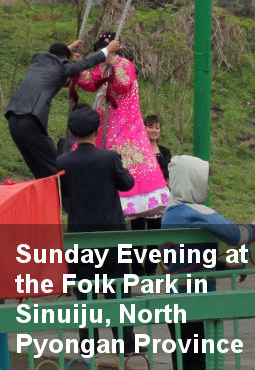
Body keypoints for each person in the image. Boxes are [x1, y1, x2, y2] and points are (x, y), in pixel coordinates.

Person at [161, 155, 255, 370]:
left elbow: (181, 261)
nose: (208, 188)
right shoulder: (196, 212)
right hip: (197, 302)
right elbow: (235, 235)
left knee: (183, 360)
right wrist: (254, 226)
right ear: (192, 181)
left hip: (175, 298)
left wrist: (224, 266)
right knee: (200, 362)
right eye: (204, 182)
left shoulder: (169, 213)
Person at [56, 104, 137, 355]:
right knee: (118, 290)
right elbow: (127, 183)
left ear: (72, 131)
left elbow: (62, 196)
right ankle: (125, 342)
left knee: (84, 293)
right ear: (96, 130)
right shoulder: (109, 157)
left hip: (80, 236)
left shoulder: (63, 161)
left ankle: (88, 345)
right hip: (112, 235)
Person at [75, 32, 170, 219]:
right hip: (107, 116)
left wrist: (113, 69)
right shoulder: (103, 65)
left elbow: (124, 85)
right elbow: (90, 83)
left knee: (129, 157)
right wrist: (79, 68)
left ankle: (133, 201)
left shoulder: (125, 65)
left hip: (126, 118)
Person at [6, 39, 119, 179]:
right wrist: (107, 49)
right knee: (55, 168)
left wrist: (68, 48)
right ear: (64, 59)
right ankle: (62, 198)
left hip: (12, 119)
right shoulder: (62, 67)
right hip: (30, 120)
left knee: (38, 167)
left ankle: (47, 195)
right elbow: (85, 63)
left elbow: (55, 57)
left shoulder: (38, 59)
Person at [128, 115, 173, 277]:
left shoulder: (165, 151)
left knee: (155, 234)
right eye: (150, 127)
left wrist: (150, 172)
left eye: (157, 127)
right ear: (143, 128)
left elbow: (168, 171)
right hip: (139, 199)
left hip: (158, 201)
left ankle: (151, 268)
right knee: (137, 235)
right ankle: (137, 270)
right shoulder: (137, 149)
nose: (154, 130)